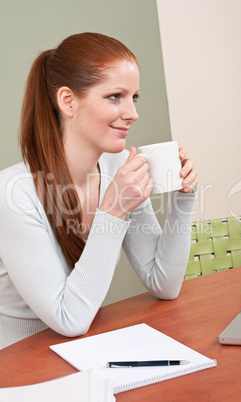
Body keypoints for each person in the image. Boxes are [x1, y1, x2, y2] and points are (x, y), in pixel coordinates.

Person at [0, 32, 199, 350]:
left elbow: (163, 283)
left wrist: (183, 197)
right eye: (115, 96)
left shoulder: (115, 166)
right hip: (17, 367)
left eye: (134, 97)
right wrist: (114, 209)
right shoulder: (13, 193)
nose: (133, 114)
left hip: (77, 355)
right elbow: (69, 319)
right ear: (68, 101)